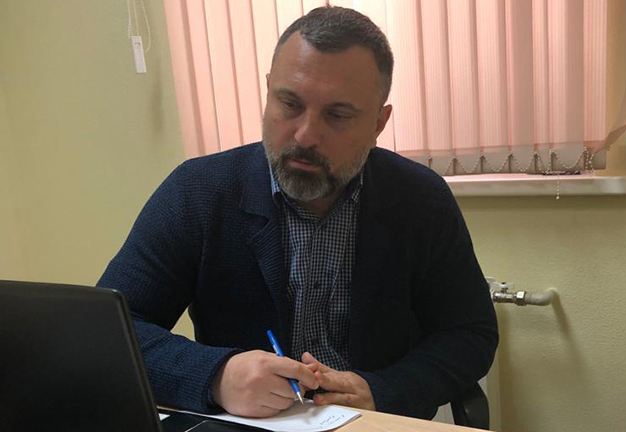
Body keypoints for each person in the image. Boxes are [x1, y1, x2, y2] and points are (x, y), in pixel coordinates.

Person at [98, 6, 498, 420]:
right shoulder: (198, 192)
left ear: (379, 123)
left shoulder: (421, 199)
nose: (305, 136)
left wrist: (382, 390)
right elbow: (110, 333)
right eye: (289, 103)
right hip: (247, 424)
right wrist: (216, 375)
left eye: (337, 115)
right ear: (268, 91)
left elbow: (469, 334)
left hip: (374, 423)